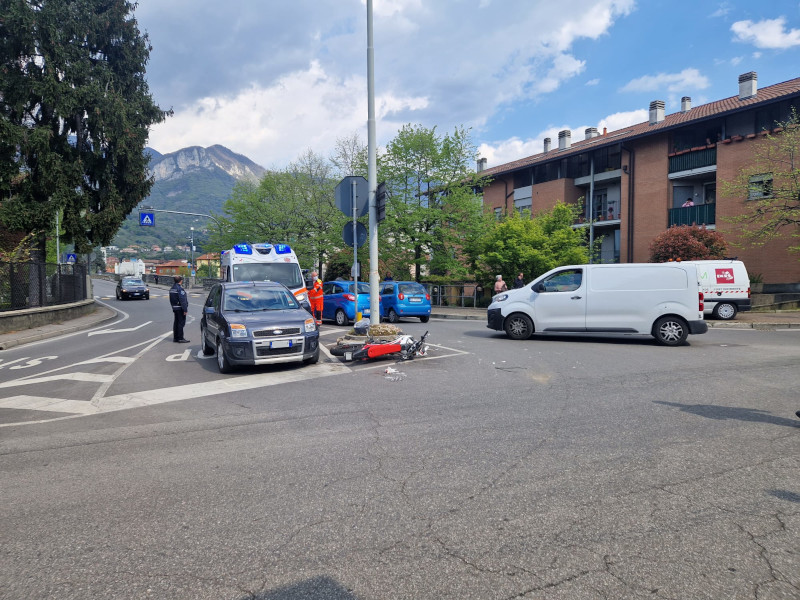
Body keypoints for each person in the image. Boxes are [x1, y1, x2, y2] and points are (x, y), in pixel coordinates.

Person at [169, 275, 190, 343]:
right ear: (181, 281)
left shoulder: (172, 288)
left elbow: (171, 299)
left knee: (176, 323)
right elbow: (182, 300)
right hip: (180, 308)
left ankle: (175, 338)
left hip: (175, 307)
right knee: (181, 323)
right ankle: (180, 338)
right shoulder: (179, 289)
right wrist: (185, 309)